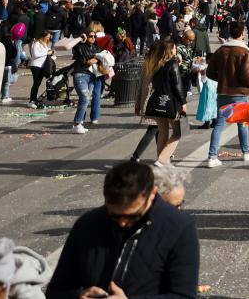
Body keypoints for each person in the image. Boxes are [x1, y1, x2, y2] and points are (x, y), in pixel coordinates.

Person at [47, 160, 199, 299]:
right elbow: (56, 291)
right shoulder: (88, 224)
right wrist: (78, 295)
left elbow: (184, 295)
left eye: (132, 216)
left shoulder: (179, 226)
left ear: (152, 194)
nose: (123, 223)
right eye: (114, 216)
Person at [205, 22, 249, 167]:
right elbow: (247, 76)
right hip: (239, 92)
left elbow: (210, 72)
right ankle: (246, 152)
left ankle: (212, 156)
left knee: (219, 124)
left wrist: (222, 80)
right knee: (242, 123)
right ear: (242, 33)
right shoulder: (244, 51)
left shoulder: (220, 50)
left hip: (223, 92)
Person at [130, 38, 187, 165]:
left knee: (161, 131)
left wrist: (138, 103)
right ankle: (160, 159)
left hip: (155, 101)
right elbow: (176, 85)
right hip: (166, 102)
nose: (176, 50)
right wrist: (183, 102)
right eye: (174, 48)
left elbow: (145, 85)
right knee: (173, 132)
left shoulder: (154, 64)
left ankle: (163, 159)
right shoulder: (168, 64)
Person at [69, 28, 102, 134]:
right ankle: (77, 123)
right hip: (80, 75)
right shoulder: (80, 46)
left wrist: (96, 59)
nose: (93, 38)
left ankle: (79, 123)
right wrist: (80, 38)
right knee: (85, 97)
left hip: (92, 76)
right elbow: (82, 58)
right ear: (86, 37)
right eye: (90, 36)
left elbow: (102, 58)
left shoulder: (96, 48)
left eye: (94, 36)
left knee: (86, 99)